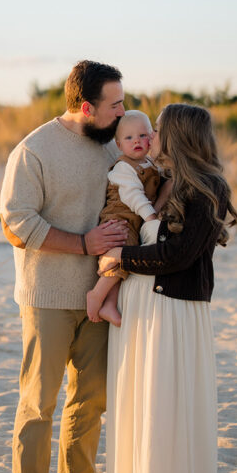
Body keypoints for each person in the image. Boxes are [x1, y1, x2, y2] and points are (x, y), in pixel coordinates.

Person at [0, 60, 130, 473]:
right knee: (39, 400)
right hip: (47, 295)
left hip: (99, 294)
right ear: (85, 106)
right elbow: (17, 224)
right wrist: (81, 243)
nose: (122, 112)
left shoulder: (112, 147)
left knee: (91, 398)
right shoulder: (34, 150)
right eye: (114, 105)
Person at [101, 103, 237, 473]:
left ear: (176, 135)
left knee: (166, 405)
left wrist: (120, 256)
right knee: (143, 405)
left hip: (172, 310)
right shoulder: (162, 180)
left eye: (157, 130)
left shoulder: (206, 188)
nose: (151, 136)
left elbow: (177, 256)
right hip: (144, 306)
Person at [85, 111, 168, 327]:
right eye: (129, 138)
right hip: (120, 217)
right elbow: (133, 195)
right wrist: (151, 216)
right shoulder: (123, 167)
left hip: (135, 220)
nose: (137, 141)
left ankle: (109, 304)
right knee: (124, 253)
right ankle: (97, 294)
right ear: (119, 145)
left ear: (151, 137)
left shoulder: (151, 165)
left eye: (142, 135)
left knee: (125, 264)